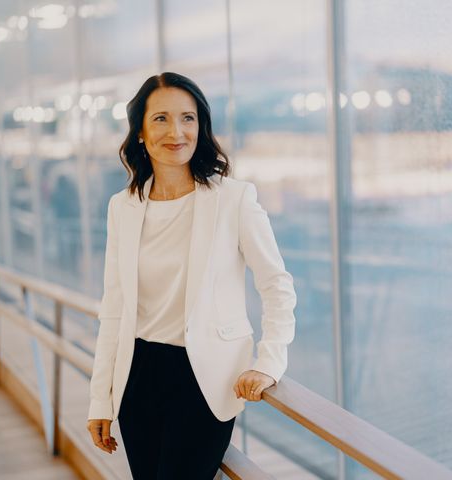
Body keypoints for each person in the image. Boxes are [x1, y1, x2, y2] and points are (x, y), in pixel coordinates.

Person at [85, 72, 297, 479]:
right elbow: (113, 309)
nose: (177, 131)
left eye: (188, 118)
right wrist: (101, 401)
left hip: (204, 379)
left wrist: (269, 362)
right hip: (138, 375)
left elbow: (276, 285)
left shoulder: (233, 198)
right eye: (161, 119)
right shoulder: (122, 207)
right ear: (141, 132)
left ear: (201, 126)